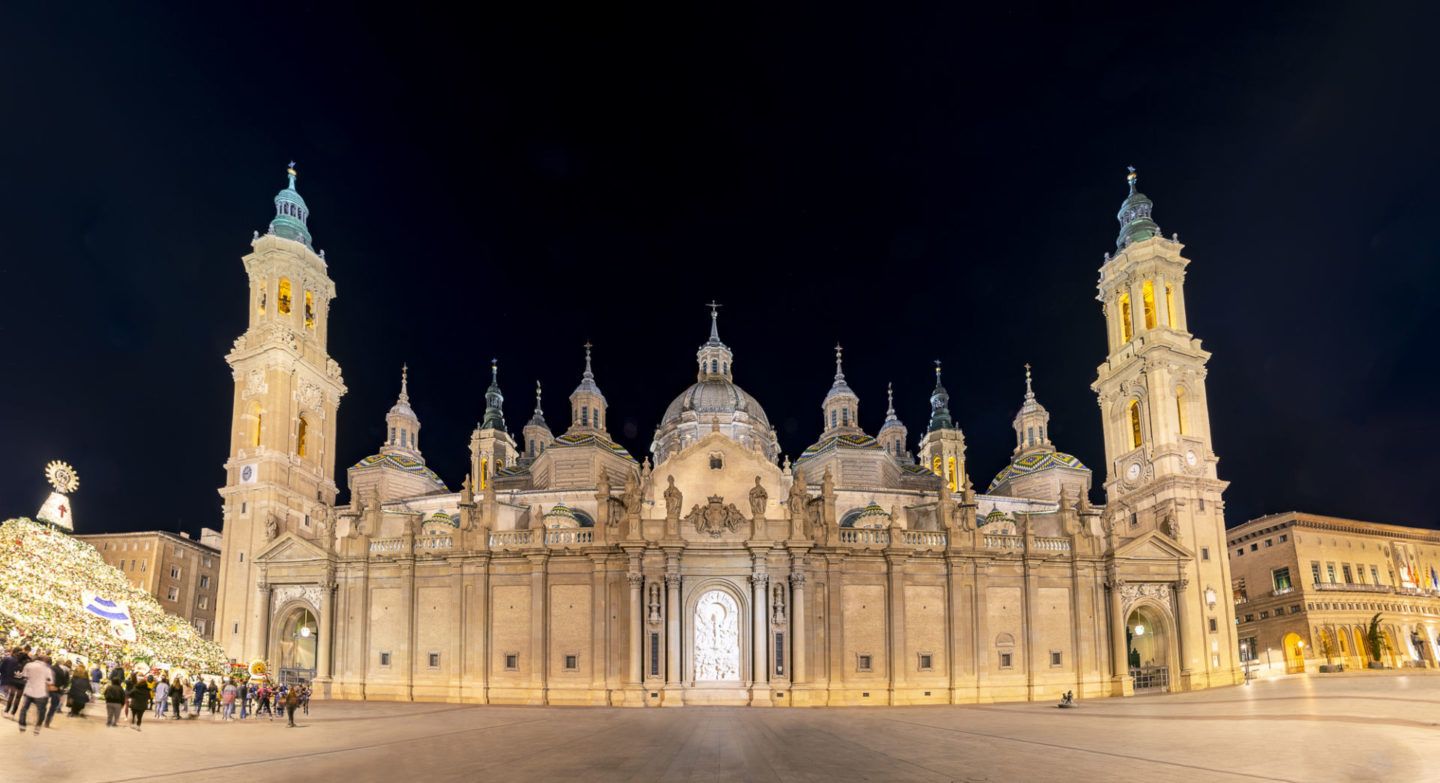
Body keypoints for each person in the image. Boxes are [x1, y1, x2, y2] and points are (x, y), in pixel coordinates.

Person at [17, 652, 53, 734]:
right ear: (45, 661)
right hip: (40, 693)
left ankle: (22, 725)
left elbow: (24, 677)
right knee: (41, 711)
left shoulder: (29, 665)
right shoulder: (47, 669)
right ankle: (37, 727)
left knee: (24, 709)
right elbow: (50, 682)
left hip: (29, 690)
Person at [45, 657, 70, 727]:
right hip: (57, 690)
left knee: (43, 704)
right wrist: (63, 687)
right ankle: (48, 721)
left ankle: (41, 718)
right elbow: (66, 682)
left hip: (48, 688)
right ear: (62, 662)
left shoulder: (51, 668)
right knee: (53, 706)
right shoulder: (64, 670)